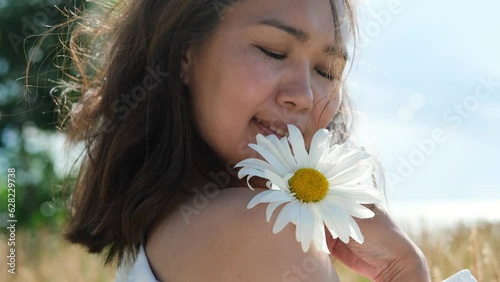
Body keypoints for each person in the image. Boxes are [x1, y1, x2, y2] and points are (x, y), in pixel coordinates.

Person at [58, 0, 475, 281]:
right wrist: (407, 269)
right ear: (185, 53)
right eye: (273, 51)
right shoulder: (269, 228)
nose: (305, 95)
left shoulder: (163, 232)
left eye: (327, 72)